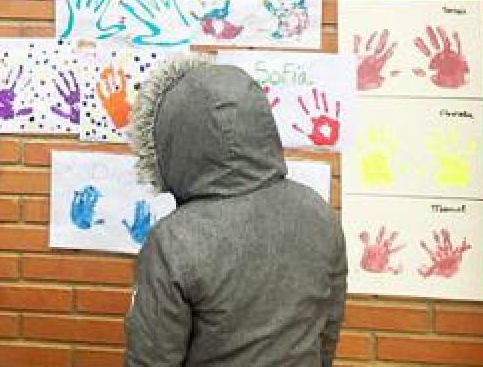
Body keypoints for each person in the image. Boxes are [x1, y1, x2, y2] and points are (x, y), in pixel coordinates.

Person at [125, 56, 347, 366]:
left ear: (172, 140)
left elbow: (152, 360)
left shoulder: (173, 241)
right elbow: (326, 334)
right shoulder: (318, 212)